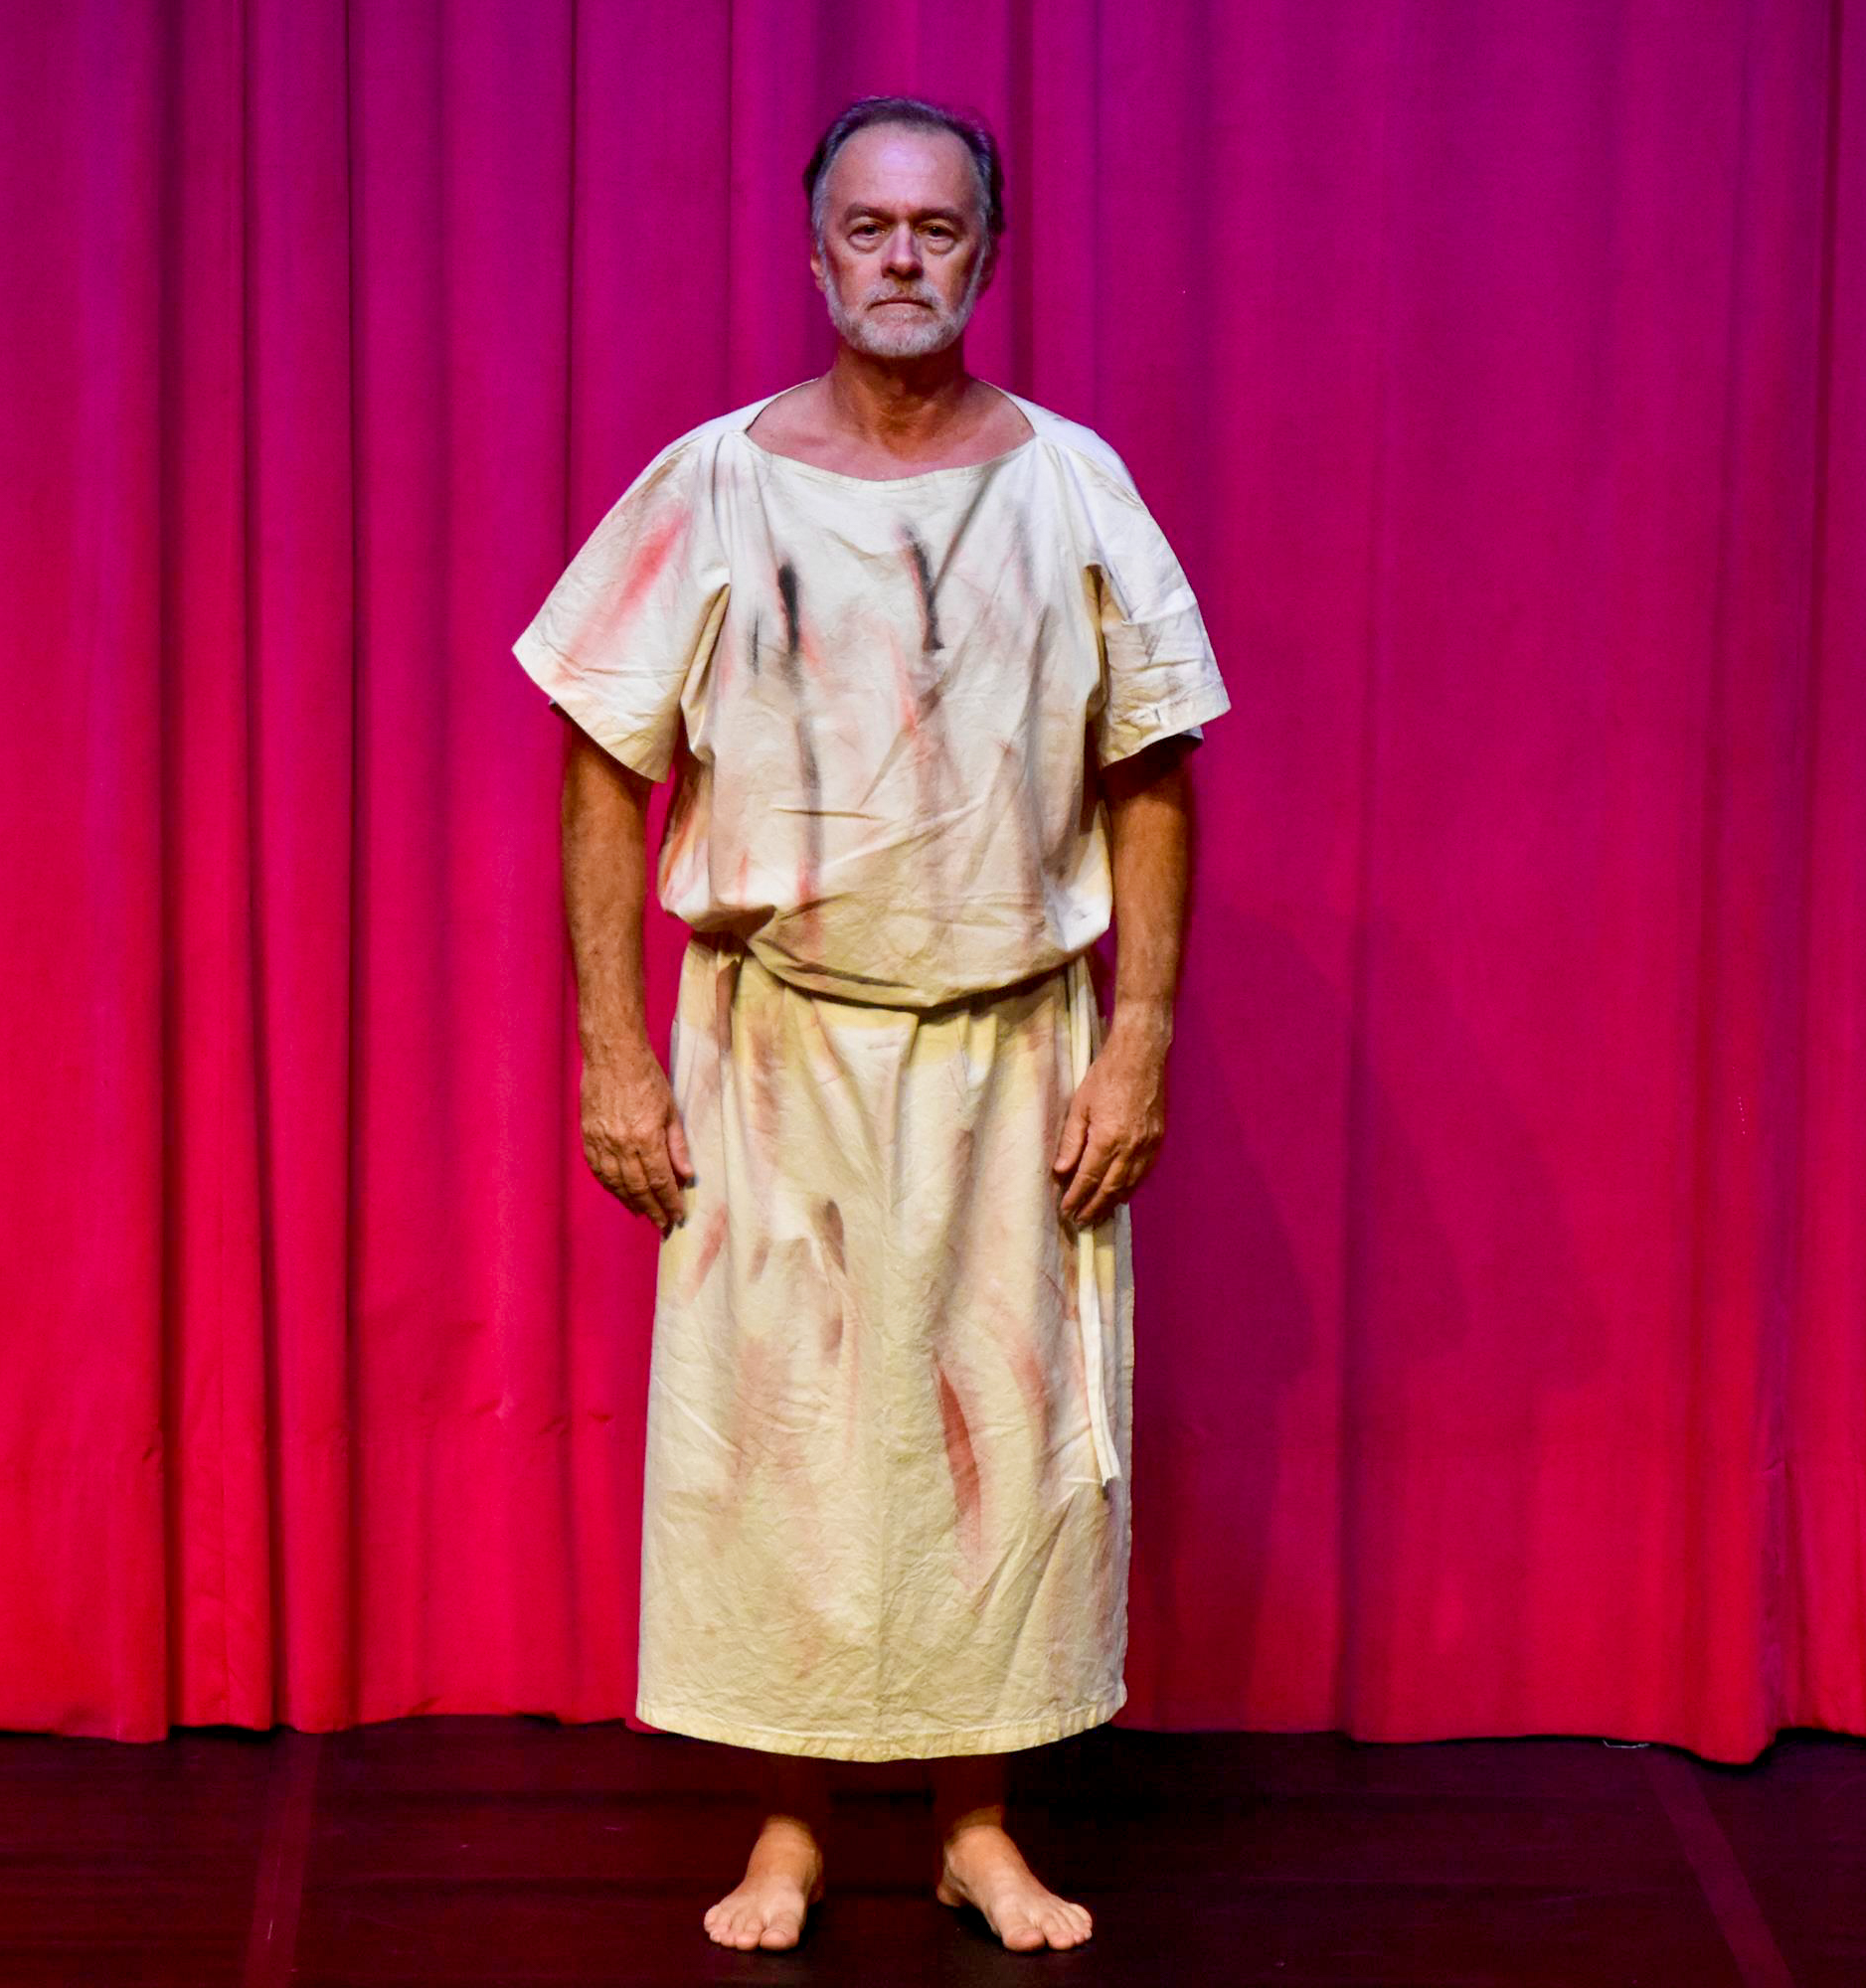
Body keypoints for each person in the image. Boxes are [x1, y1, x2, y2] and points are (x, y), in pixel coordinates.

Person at [512, 92, 1227, 1954]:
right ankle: (790, 1825)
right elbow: (603, 767)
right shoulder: (713, 483)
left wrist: (1141, 1037)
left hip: (1012, 1050)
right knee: (787, 1440)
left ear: (988, 253)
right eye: (869, 227)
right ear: (815, 250)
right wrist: (612, 1053)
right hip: (775, 1047)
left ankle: (979, 1822)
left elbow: (1151, 767)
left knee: (1004, 1439)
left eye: (937, 227)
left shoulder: (1073, 484)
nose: (903, 258)